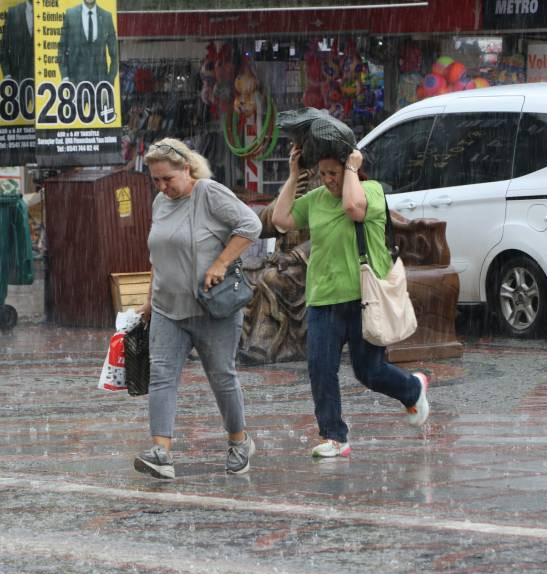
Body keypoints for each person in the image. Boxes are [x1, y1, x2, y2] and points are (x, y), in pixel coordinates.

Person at [271, 146, 429, 458]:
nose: (327, 180)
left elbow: (354, 209)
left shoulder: (369, 190)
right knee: (320, 368)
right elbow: (280, 219)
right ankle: (334, 437)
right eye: (323, 174)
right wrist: (293, 176)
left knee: (368, 371)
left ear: (349, 168)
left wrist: (353, 171)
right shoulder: (315, 200)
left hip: (363, 298)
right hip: (323, 297)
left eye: (334, 173)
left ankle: (412, 388)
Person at [135, 138, 262, 480]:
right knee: (162, 377)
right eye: (156, 181)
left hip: (212, 307)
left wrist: (221, 262)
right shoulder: (160, 203)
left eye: (167, 179)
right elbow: (158, 257)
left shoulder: (208, 193)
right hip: (166, 307)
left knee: (221, 376)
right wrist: (149, 299)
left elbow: (251, 226)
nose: (162, 187)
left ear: (186, 169)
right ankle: (161, 452)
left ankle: (238, 441)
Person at [57, 0, 118, 86]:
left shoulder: (106, 17)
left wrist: (109, 83)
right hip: (75, 84)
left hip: (100, 85)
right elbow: (61, 48)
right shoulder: (70, 15)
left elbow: (115, 55)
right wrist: (65, 77)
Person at [0, 0, 34, 84]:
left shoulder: (48, 12)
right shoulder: (13, 12)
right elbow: (4, 46)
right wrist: (7, 74)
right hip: (17, 78)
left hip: (42, 82)